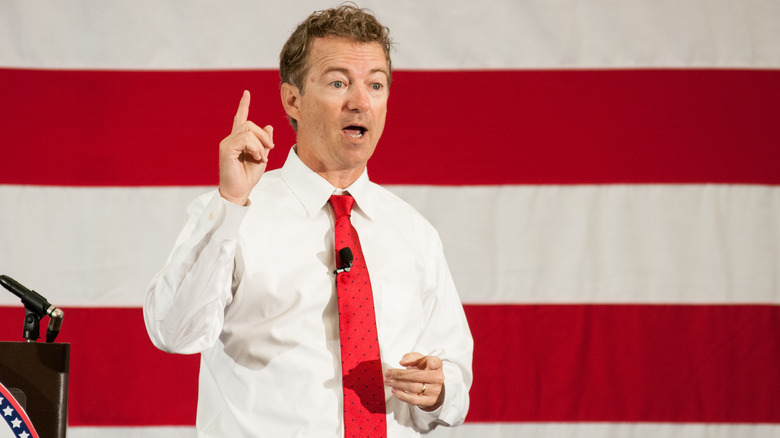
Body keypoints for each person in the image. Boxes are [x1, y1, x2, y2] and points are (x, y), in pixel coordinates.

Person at [144, 4, 473, 437]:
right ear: (292, 99)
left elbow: (453, 381)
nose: (360, 102)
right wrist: (229, 204)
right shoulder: (236, 212)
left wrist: (438, 390)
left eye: (375, 84)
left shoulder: (413, 232)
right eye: (339, 82)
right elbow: (173, 331)